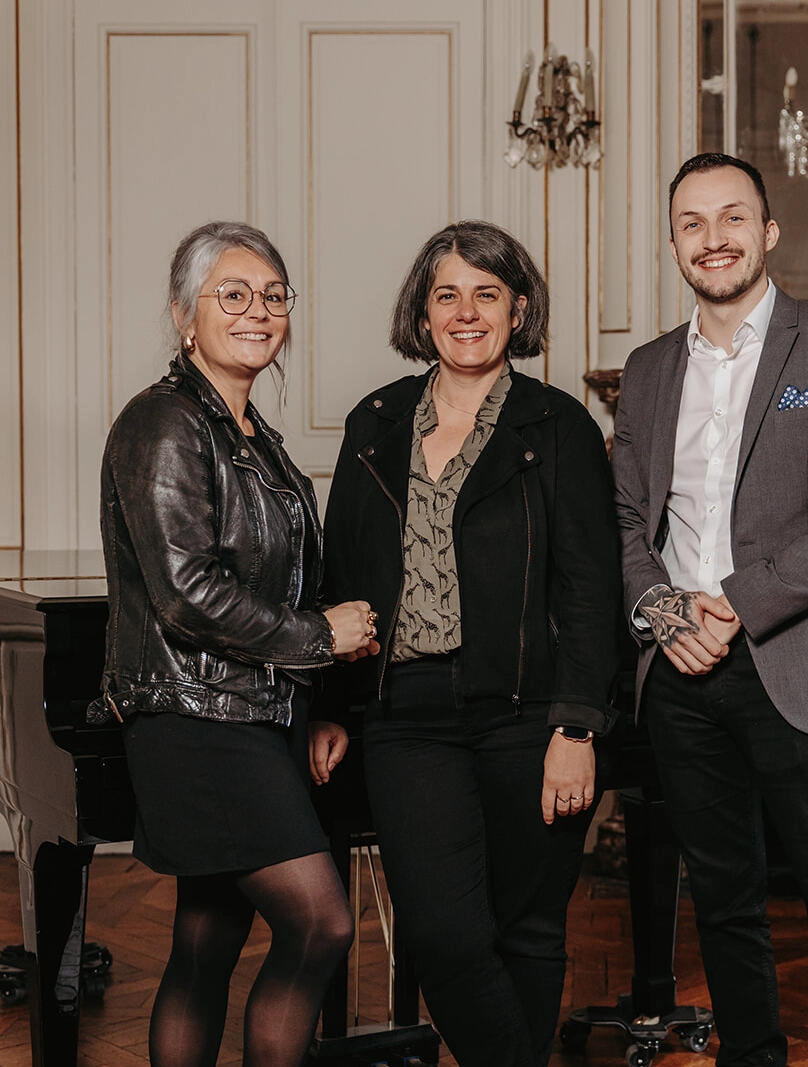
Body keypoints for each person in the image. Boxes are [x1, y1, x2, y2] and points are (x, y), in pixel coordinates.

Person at [611, 153, 808, 1067]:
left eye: (732, 218)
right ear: (673, 242)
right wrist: (663, 613)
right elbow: (625, 517)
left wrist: (736, 604)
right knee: (722, 901)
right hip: (679, 671)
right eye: (693, 223)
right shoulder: (647, 366)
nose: (714, 239)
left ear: (768, 231)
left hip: (800, 660)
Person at [319, 219, 620, 1067]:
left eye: (487, 293)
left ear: (516, 307)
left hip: (532, 716)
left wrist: (576, 725)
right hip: (407, 717)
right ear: (421, 312)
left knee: (527, 930)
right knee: (444, 934)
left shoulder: (557, 426)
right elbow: (339, 575)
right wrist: (332, 707)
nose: (466, 312)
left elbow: (592, 589)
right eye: (446, 294)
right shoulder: (372, 424)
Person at [93, 221, 380, 1067]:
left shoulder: (259, 442)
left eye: (274, 296)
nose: (258, 311)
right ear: (186, 315)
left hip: (258, 713)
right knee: (320, 921)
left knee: (207, 938)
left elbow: (286, 580)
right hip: (195, 720)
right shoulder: (162, 422)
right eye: (234, 294)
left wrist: (322, 704)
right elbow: (187, 595)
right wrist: (319, 642)